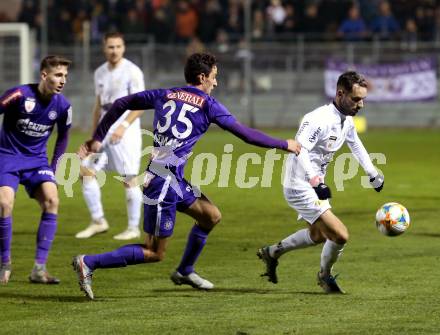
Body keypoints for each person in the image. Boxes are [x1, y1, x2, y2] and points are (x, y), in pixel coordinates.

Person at [72, 52, 301, 299]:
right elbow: (245, 134)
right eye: (214, 77)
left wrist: (97, 138)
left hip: (173, 180)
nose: (216, 82)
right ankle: (89, 262)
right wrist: (283, 143)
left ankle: (185, 270)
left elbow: (120, 104)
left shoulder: (164, 94)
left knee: (211, 216)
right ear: (202, 77)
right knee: (154, 252)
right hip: (161, 184)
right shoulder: (208, 105)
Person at [257, 71, 384, 294]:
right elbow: (299, 148)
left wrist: (372, 172)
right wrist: (315, 181)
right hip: (300, 184)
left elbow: (355, 144)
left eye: (363, 99)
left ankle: (272, 252)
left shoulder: (346, 120)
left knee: (317, 235)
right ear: (340, 93)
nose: (361, 104)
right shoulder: (318, 119)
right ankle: (324, 277)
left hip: (314, 183)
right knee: (340, 235)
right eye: (356, 99)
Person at [0, 55, 72, 284]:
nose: (63, 81)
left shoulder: (63, 106)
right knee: (4, 203)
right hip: (7, 157)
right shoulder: (19, 95)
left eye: (65, 76)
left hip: (37, 161)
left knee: (52, 200)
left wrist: (53, 169)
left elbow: (63, 138)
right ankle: (5, 263)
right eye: (58, 75)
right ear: (44, 75)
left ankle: (39, 269)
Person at [75, 32, 144, 241]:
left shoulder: (132, 71)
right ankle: (98, 221)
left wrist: (123, 126)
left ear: (123, 48)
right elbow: (98, 106)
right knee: (86, 169)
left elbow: (140, 105)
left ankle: (133, 227)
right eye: (110, 47)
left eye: (118, 46)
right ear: (104, 48)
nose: (114, 51)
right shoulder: (100, 73)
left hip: (125, 127)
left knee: (129, 178)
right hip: (104, 126)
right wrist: (93, 136)